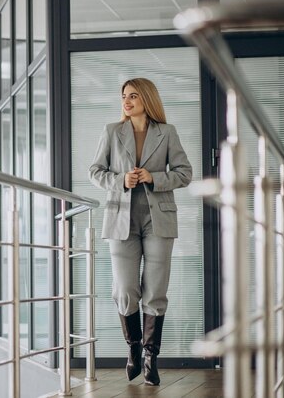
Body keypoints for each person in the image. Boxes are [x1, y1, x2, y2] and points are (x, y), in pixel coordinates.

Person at [88, 78, 192, 386]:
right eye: (123, 96)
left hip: (159, 220)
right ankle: (133, 347)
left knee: (156, 291)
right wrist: (122, 180)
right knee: (125, 290)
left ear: (147, 98)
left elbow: (185, 173)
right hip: (120, 221)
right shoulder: (111, 131)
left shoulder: (167, 132)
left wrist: (154, 177)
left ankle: (150, 356)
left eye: (133, 96)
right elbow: (95, 171)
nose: (127, 101)